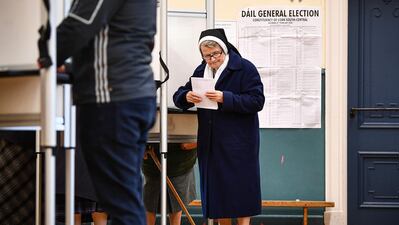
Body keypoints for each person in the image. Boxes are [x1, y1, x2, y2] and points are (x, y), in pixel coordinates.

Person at [56, 1, 157, 224]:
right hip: (134, 95)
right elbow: (121, 42)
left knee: (121, 203)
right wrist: (73, 69)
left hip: (112, 100)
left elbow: (78, 26)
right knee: (125, 198)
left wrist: (44, 56)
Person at [173, 28, 265, 225]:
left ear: (224, 50)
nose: (212, 59)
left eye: (215, 54)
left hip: (238, 143)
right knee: (219, 193)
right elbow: (179, 95)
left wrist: (226, 98)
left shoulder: (245, 68)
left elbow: (257, 101)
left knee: (240, 191)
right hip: (212, 144)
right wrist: (186, 97)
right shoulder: (201, 71)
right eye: (207, 56)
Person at [142, 143, 197, 225]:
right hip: (152, 159)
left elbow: (185, 145)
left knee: (175, 204)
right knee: (149, 204)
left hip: (180, 162)